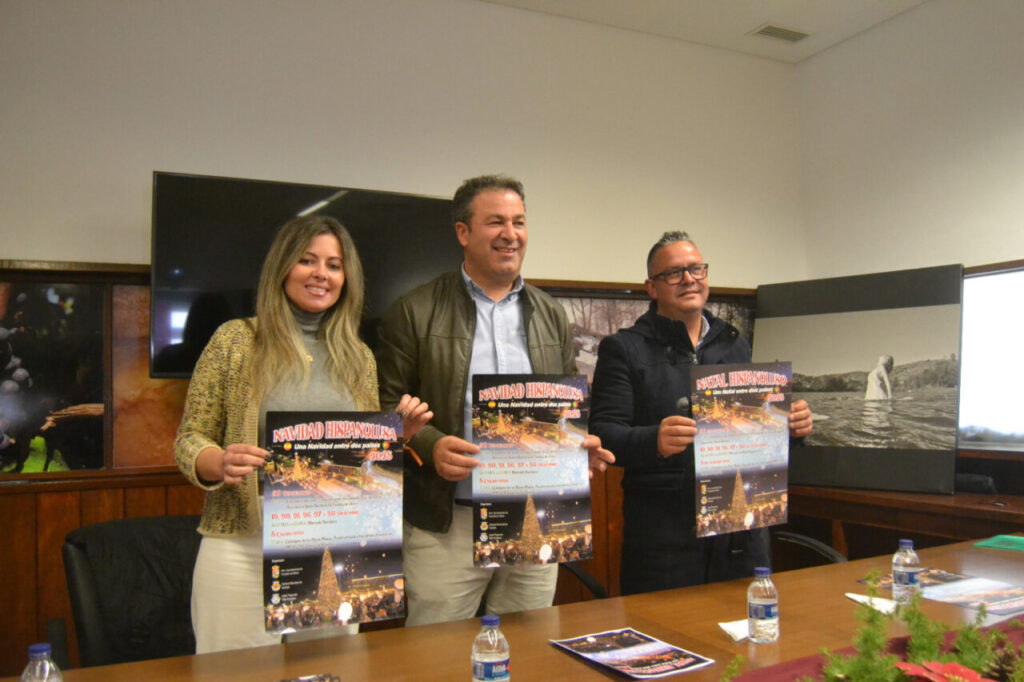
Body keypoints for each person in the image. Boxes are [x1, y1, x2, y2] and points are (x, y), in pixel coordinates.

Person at [174, 215, 430, 653]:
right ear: (282, 267)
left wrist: (395, 438)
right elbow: (189, 438)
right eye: (307, 261)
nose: (321, 274)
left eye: (334, 265)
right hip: (243, 547)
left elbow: (364, 459)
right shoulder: (235, 341)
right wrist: (216, 461)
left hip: (336, 542)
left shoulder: (359, 357)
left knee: (333, 671)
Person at [376, 174, 614, 626]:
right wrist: (429, 444)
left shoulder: (550, 313)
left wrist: (575, 445)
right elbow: (383, 406)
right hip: (448, 521)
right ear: (463, 233)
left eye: (519, 222)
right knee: (435, 661)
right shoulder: (413, 310)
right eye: (496, 222)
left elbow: (563, 407)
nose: (511, 234)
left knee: (526, 652)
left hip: (534, 514)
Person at [589, 231, 813, 595]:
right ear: (651, 287)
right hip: (665, 537)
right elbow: (604, 432)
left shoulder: (735, 342)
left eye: (696, 269)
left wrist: (792, 428)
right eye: (674, 273)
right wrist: (654, 441)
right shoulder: (623, 349)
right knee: (665, 638)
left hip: (741, 529)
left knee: (747, 635)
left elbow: (755, 428)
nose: (689, 279)